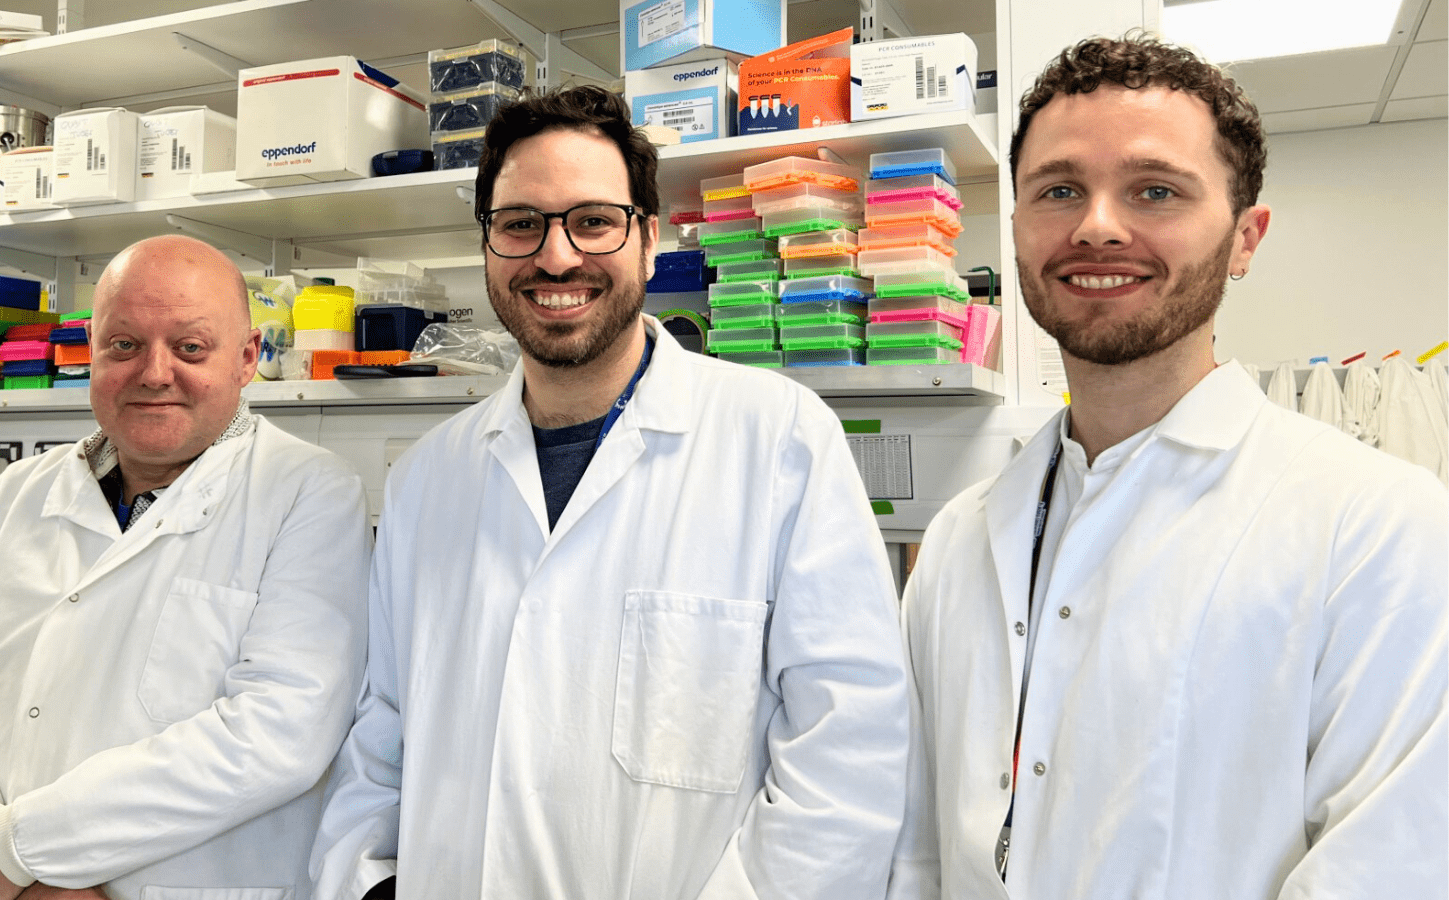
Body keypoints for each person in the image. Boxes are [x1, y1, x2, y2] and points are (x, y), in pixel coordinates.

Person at [311, 86, 909, 900]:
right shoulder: (427, 480)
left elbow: (848, 753)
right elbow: (382, 737)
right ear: (487, 244)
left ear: (649, 239)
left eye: (594, 221)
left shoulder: (778, 441)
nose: (556, 257)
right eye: (521, 224)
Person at [895, 33, 1448, 898]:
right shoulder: (962, 540)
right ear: (1016, 230)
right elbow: (920, 850)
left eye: (1155, 190)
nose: (1097, 226)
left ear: (1245, 238)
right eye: (1059, 190)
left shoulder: (1379, 527)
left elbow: (1389, 869)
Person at [0, 235, 371, 900]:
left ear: (247, 359)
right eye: (124, 345)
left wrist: (16, 849)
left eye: (190, 347)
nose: (154, 373)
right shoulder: (14, 495)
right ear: (92, 353)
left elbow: (278, 732)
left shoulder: (310, 493)